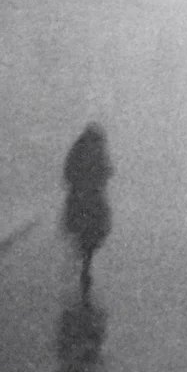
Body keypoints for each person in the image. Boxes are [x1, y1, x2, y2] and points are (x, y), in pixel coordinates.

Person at [61, 123, 112, 291]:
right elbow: (107, 170)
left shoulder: (78, 149)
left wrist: (77, 183)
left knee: (84, 228)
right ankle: (86, 261)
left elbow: (68, 171)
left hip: (81, 196)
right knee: (94, 229)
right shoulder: (98, 151)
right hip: (91, 197)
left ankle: (84, 256)